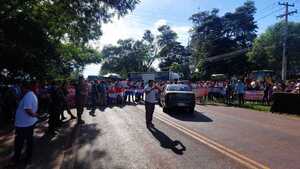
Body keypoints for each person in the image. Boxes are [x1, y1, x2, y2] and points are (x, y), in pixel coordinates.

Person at [13, 81, 38, 165]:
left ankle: (20, 158)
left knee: (20, 142)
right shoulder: (29, 95)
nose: (20, 89)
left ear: (24, 88)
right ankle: (26, 158)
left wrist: (35, 115)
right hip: (26, 123)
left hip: (25, 124)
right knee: (27, 141)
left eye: (21, 88)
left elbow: (28, 109)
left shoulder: (28, 96)